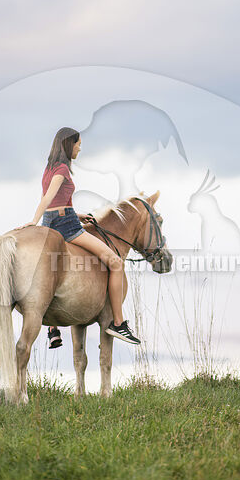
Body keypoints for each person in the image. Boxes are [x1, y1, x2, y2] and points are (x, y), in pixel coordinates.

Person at [16, 126, 141, 347]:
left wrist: (76, 214)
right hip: (66, 227)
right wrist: (32, 221)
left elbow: (55, 202)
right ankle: (118, 324)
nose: (80, 148)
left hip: (52, 222)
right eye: (78, 144)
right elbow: (46, 199)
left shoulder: (49, 168)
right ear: (69, 144)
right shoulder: (63, 168)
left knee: (52, 268)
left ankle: (53, 330)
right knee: (115, 262)